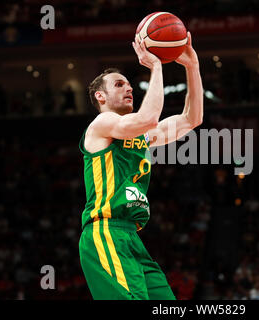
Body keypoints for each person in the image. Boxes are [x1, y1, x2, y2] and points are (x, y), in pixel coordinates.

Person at [78, 32, 203, 300]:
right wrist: (156, 66)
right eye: (119, 84)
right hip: (105, 231)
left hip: (132, 236)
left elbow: (192, 119)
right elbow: (147, 119)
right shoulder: (101, 125)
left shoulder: (141, 133)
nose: (129, 88)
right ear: (100, 96)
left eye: (129, 84)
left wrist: (192, 67)